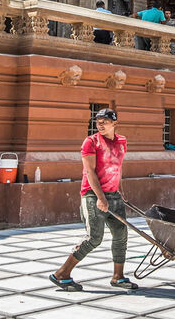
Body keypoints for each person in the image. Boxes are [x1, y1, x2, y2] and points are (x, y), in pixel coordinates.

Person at [50, 108, 137, 291]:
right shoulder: (91, 142)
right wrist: (100, 198)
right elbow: (89, 172)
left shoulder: (122, 142)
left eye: (105, 121)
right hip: (92, 194)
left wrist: (120, 190)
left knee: (121, 235)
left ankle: (118, 277)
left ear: (115, 123)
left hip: (114, 195)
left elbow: (117, 168)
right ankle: (61, 274)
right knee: (94, 238)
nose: (101, 124)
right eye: (98, 121)